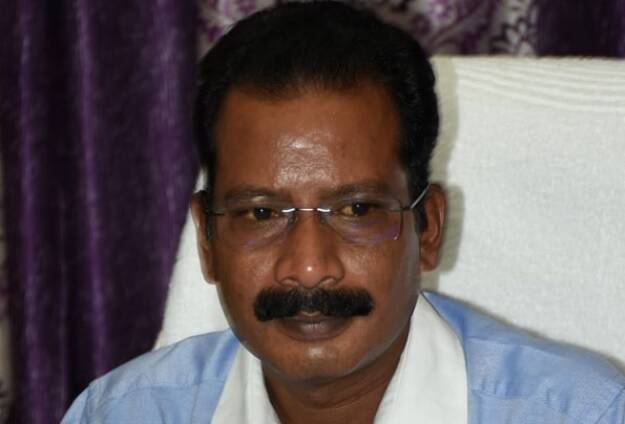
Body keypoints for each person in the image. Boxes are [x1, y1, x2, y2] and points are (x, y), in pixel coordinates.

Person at [62, 1, 625, 423]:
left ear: (428, 227)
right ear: (207, 241)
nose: (309, 268)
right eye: (261, 214)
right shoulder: (119, 414)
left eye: (355, 209)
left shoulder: (584, 414)